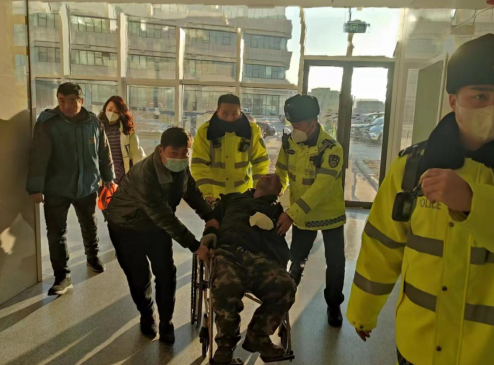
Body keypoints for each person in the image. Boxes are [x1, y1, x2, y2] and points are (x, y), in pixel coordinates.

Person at [347, 34, 494, 365]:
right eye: (480, 95)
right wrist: (363, 310)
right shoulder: (412, 166)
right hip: (420, 344)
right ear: (454, 100)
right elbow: (382, 244)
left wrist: (476, 204)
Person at [107, 127, 218, 345]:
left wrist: (209, 217)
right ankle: (147, 314)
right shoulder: (145, 174)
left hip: (156, 227)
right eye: (173, 153)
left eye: (184, 153)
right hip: (126, 227)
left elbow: (191, 191)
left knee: (166, 273)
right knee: (139, 277)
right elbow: (164, 217)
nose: (180, 158)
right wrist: (196, 246)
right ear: (161, 150)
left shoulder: (181, 167)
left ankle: (166, 321)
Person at [27, 82, 114, 296]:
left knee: (89, 224)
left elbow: (103, 151)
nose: (66, 105)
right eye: (62, 100)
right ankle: (62, 276)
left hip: (87, 186)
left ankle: (92, 257)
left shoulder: (93, 122)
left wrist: (108, 178)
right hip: (56, 188)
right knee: (56, 233)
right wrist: (36, 188)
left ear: (81, 101)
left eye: (72, 101)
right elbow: (38, 157)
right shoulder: (48, 123)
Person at [201, 174, 296, 365]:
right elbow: (212, 221)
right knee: (227, 286)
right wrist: (209, 236)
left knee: (286, 286)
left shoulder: (277, 211)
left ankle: (257, 336)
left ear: (278, 192)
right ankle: (225, 348)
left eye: (274, 179)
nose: (269, 176)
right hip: (228, 252)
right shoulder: (231, 199)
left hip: (262, 258)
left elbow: (281, 243)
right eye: (267, 175)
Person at [275, 95, 346, 327]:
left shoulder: (332, 149)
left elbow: (320, 188)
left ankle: (334, 305)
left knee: (335, 263)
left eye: (299, 124)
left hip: (329, 215)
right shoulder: (289, 143)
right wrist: (273, 193)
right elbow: (281, 172)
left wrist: (291, 214)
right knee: (296, 260)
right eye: (292, 124)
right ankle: (284, 302)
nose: (294, 129)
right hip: (303, 216)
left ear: (313, 122)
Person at [191, 94, 270, 204]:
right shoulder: (205, 132)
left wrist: (258, 191)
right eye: (225, 114)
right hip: (215, 196)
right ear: (217, 111)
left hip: (244, 195)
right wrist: (207, 194)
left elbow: (260, 163)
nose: (230, 118)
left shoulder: (252, 131)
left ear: (240, 111)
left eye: (234, 114)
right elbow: (199, 165)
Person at [98, 96, 145, 185]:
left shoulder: (127, 130)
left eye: (116, 112)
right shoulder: (96, 126)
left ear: (121, 113)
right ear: (105, 108)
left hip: (121, 180)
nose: (112, 113)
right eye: (110, 109)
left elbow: (136, 155)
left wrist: (137, 177)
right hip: (100, 178)